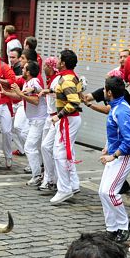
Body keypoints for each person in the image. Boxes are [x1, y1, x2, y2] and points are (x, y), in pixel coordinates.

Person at [97, 76, 130, 243]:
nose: (103, 91)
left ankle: (124, 226)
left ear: (109, 92)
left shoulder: (121, 110)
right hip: (117, 153)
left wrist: (113, 155)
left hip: (125, 155)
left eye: (104, 89)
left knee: (110, 191)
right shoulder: (116, 107)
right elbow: (116, 132)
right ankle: (112, 228)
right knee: (103, 191)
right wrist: (109, 147)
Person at [49, 49, 83, 206]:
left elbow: (75, 102)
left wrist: (59, 115)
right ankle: (72, 184)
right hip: (68, 120)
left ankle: (64, 189)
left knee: (59, 153)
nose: (56, 61)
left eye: (58, 59)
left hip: (68, 120)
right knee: (66, 152)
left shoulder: (67, 79)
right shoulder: (69, 77)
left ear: (63, 63)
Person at [11, 60, 47, 185]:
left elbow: (36, 99)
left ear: (29, 72)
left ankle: (37, 175)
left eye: (24, 68)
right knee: (36, 146)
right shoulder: (28, 82)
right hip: (34, 120)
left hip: (39, 120)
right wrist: (7, 93)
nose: (22, 70)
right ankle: (42, 171)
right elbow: (21, 96)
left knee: (29, 146)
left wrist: (20, 92)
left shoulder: (34, 81)